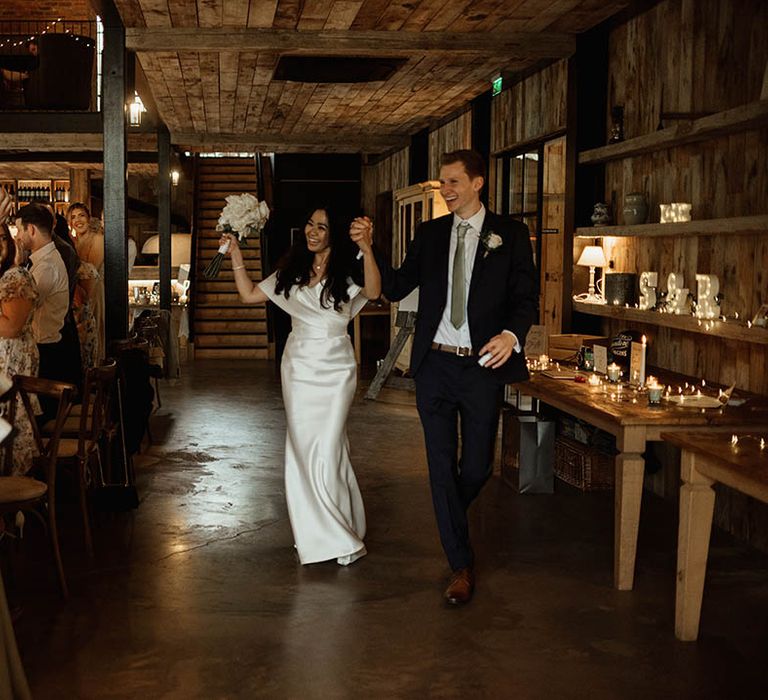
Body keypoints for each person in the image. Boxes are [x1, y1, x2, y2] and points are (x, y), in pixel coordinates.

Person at [361, 149, 538, 605]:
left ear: (478, 183)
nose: (446, 190)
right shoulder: (431, 233)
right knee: (440, 465)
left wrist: (510, 336)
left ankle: (449, 516)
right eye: (442, 183)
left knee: (477, 465)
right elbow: (397, 285)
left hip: (482, 365)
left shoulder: (512, 235)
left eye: (454, 182)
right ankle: (461, 565)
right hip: (435, 365)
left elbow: (525, 299)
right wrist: (368, 248)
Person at [220, 206, 381, 566]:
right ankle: (325, 532)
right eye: (309, 223)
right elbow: (248, 295)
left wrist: (368, 248)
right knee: (305, 448)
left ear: (333, 233)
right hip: (298, 368)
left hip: (336, 367)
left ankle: (338, 532)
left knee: (327, 447)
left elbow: (373, 291)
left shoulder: (348, 270)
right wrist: (235, 254)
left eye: (321, 227)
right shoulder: (291, 271)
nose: (312, 231)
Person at [14, 202, 81, 421]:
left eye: (19, 230)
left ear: (31, 229)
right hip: (50, 350)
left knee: (31, 416)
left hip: (47, 356)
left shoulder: (46, 267)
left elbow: (20, 311)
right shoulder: (43, 261)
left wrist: (14, 265)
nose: (17, 238)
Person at [0, 198, 39, 475]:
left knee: (11, 451)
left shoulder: (16, 278)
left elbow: (11, 327)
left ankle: (14, 511)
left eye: (2, 237)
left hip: (11, 379)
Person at [67, 202, 105, 369]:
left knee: (93, 332)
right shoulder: (74, 243)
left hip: (93, 291)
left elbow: (91, 270)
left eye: (81, 215)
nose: (78, 220)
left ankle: (95, 374)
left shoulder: (97, 239)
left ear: (89, 219)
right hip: (78, 295)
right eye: (73, 217)